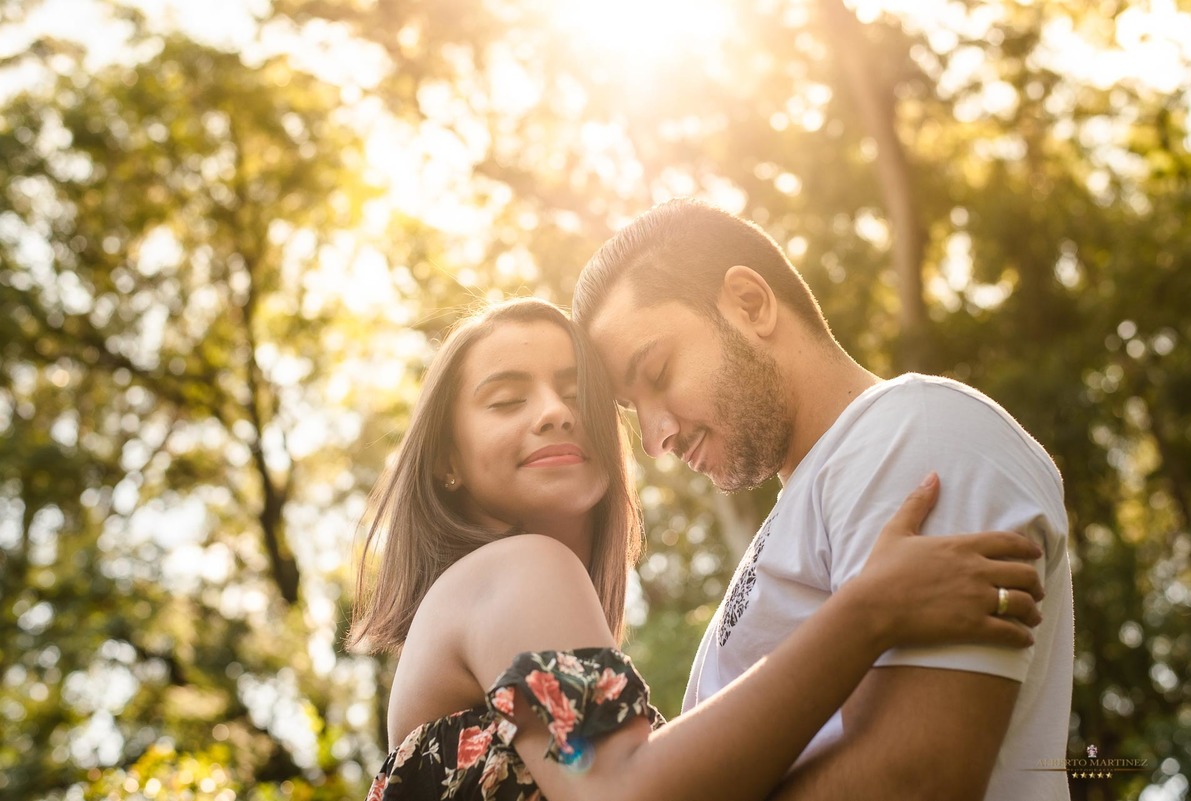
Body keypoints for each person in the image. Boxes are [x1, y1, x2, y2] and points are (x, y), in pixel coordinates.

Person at [350, 297, 1046, 801]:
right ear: (447, 459)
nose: (555, 411)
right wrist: (867, 612)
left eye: (576, 392)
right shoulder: (517, 569)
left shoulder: (498, 608)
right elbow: (621, 794)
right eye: (506, 399)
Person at [572, 198, 1075, 801]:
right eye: (634, 410)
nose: (656, 439)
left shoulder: (911, 432)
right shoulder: (819, 493)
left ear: (750, 304)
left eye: (656, 373)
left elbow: (917, 778)